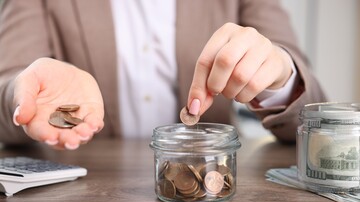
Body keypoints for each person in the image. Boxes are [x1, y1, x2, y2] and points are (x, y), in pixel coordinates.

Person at [0, 0, 326, 150]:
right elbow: (8, 81)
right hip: (83, 195)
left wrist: (279, 76)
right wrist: (21, 89)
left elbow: (312, 108)